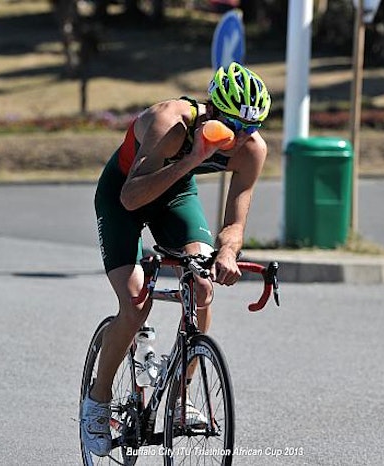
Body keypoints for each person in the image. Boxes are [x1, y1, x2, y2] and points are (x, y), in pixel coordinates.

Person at [81, 62, 271, 457]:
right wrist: (193, 157)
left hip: (175, 195)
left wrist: (228, 253)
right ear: (212, 111)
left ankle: (181, 397)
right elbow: (130, 198)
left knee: (201, 285)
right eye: (233, 125)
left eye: (251, 127)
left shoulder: (252, 150)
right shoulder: (170, 123)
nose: (240, 137)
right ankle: (97, 400)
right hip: (124, 194)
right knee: (135, 305)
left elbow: (235, 223)